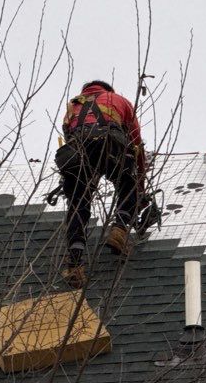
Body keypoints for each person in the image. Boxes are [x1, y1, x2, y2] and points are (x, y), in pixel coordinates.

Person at [55, 79, 145, 286]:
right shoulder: (118, 100)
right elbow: (136, 141)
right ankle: (119, 229)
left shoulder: (72, 107)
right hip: (110, 143)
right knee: (127, 183)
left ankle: (75, 265)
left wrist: (83, 182)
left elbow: (71, 139)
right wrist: (140, 184)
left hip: (77, 150)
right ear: (107, 89)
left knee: (78, 203)